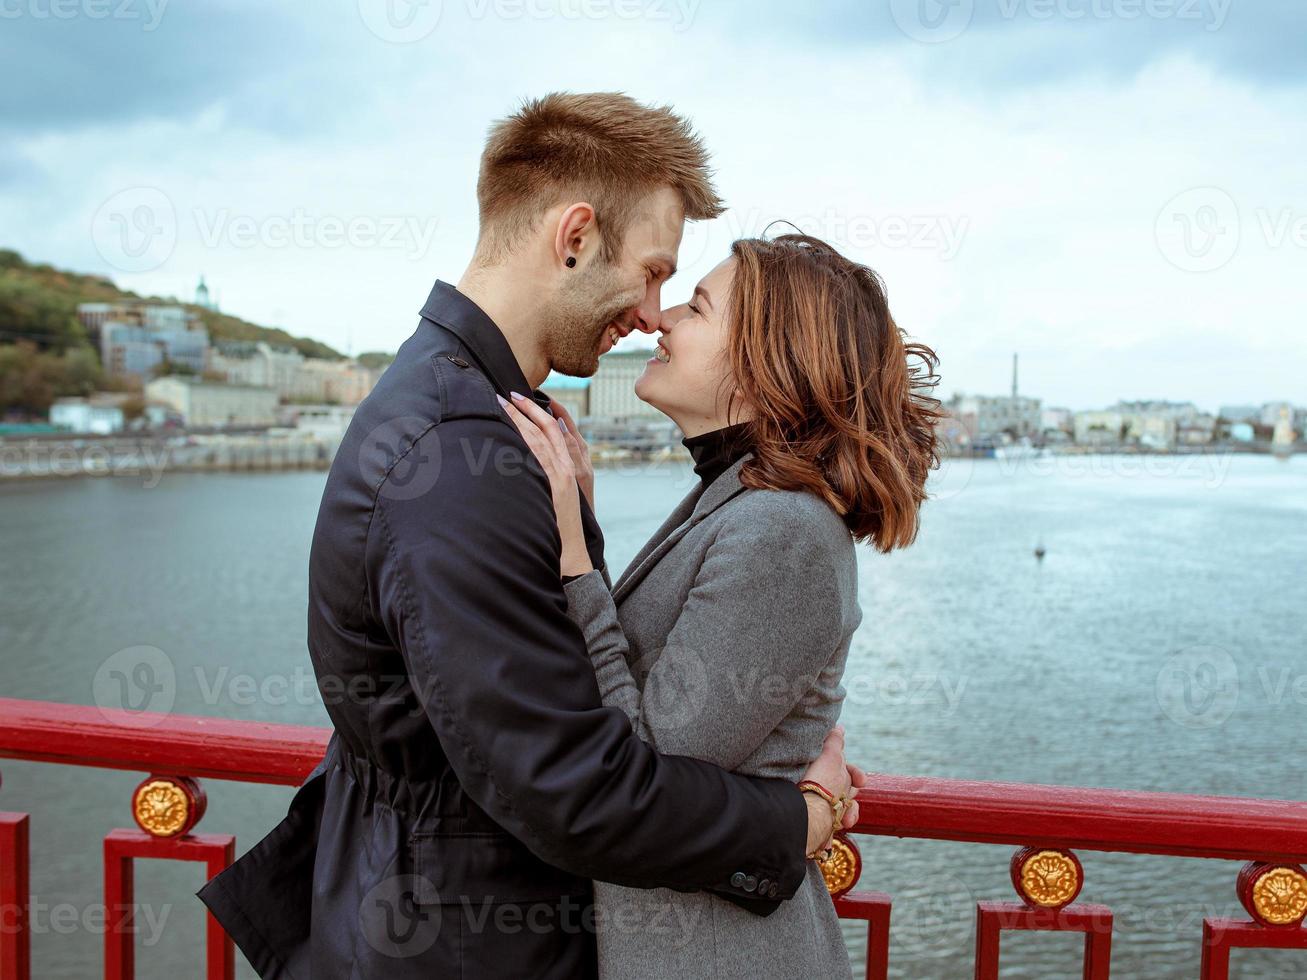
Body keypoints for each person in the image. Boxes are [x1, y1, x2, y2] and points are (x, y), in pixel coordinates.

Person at [197, 93, 865, 979]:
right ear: (575, 237)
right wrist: (800, 819)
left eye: (681, 294)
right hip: (463, 941)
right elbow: (576, 788)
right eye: (655, 270)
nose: (653, 312)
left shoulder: (480, 418)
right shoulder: (456, 452)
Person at [501, 233, 941, 978]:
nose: (661, 318)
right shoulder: (736, 498)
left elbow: (643, 774)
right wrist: (582, 530)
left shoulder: (783, 529)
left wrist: (575, 555)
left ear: (765, 361)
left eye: (697, 306)